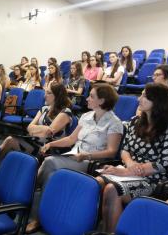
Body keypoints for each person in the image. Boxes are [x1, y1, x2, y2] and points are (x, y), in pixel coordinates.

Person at [25, 83, 123, 233]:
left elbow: (111, 151)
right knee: (51, 175)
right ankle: (41, 215)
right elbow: (71, 139)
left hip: (91, 161)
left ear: (102, 101)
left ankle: (28, 189)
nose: (87, 99)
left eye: (91, 96)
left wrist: (87, 155)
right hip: (75, 155)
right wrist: (51, 144)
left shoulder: (115, 123)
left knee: (50, 161)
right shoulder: (86, 116)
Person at [96, 83, 168, 232]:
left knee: (113, 190)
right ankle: (104, 228)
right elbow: (125, 150)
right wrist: (129, 165)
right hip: (129, 172)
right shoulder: (134, 122)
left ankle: (113, 231)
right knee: (97, 182)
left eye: (144, 96)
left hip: (154, 180)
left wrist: (125, 172)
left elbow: (163, 164)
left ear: (157, 101)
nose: (139, 98)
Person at [0, 83, 72, 161]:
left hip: (51, 149)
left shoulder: (65, 112)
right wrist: (43, 129)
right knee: (9, 140)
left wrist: (37, 129)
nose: (44, 96)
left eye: (49, 93)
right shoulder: (44, 109)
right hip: (37, 142)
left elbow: (47, 133)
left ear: (58, 96)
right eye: (45, 92)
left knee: (12, 143)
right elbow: (29, 128)